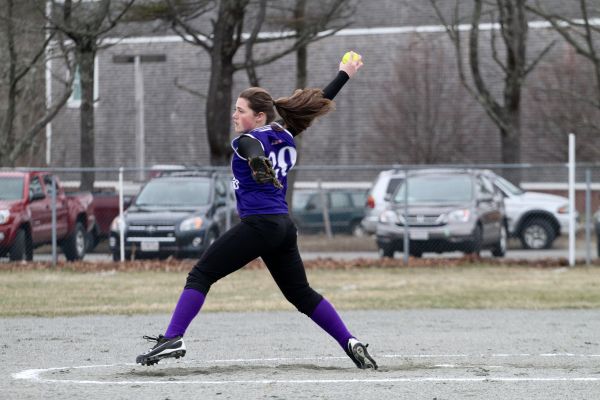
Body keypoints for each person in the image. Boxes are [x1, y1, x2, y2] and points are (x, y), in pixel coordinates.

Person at [136, 52, 377, 370]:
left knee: (201, 274)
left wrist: (256, 161)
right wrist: (344, 73)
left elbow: (251, 148)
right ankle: (350, 342)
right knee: (301, 294)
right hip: (283, 228)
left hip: (260, 226)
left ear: (260, 116)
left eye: (241, 110)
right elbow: (316, 103)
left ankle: (173, 337)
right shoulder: (284, 133)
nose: (235, 116)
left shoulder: (247, 141)